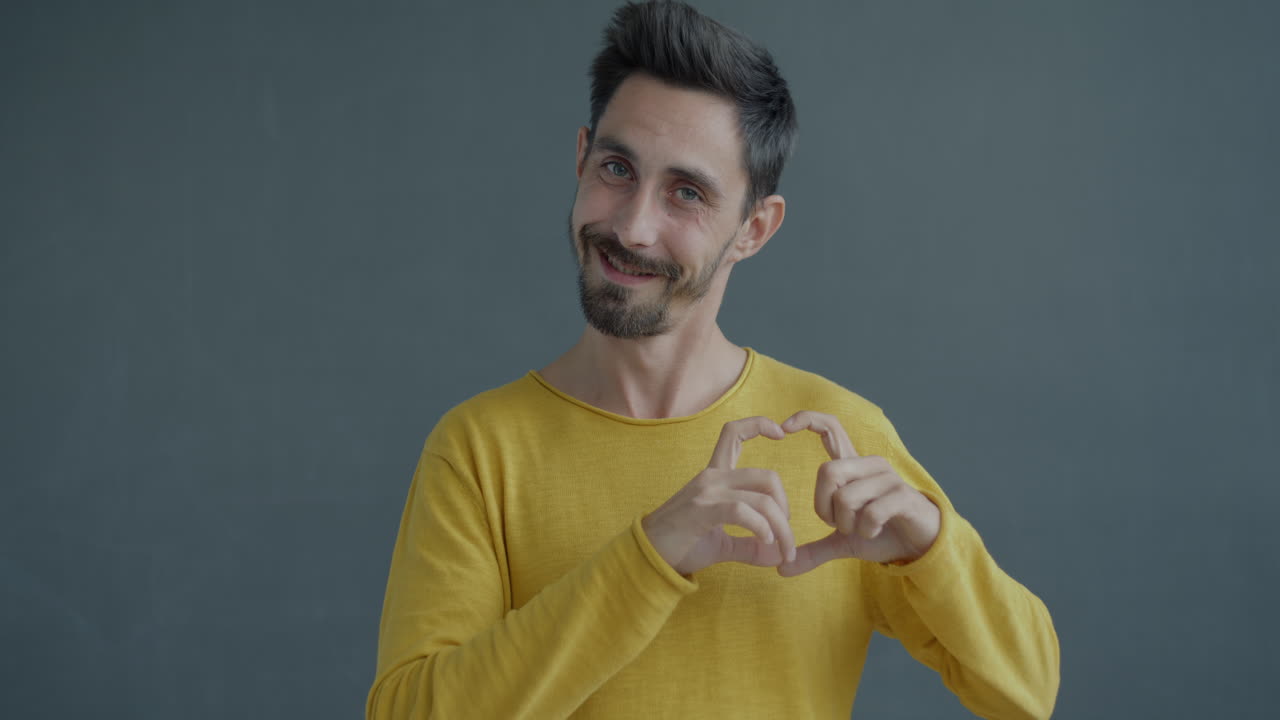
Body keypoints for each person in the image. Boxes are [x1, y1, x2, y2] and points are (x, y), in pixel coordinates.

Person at [366, 1, 1060, 718]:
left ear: (754, 228)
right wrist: (649, 559)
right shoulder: (478, 451)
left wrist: (932, 549)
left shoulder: (836, 440)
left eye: (687, 193)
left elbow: (1027, 693)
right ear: (580, 158)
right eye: (616, 168)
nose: (634, 226)